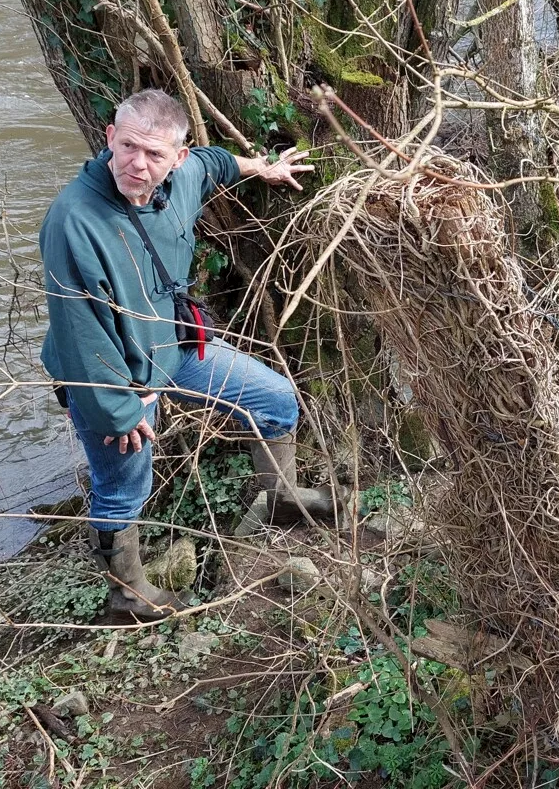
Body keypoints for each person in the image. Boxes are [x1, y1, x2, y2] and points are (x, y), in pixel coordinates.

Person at [39, 89, 338, 618]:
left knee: (274, 400)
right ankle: (127, 594)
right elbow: (78, 331)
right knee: (123, 485)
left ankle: (284, 498)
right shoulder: (73, 220)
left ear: (176, 157)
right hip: (114, 376)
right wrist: (117, 409)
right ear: (110, 137)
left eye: (155, 154)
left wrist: (263, 168)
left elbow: (216, 162)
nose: (137, 163)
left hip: (176, 346)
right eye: (128, 146)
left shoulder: (183, 177)